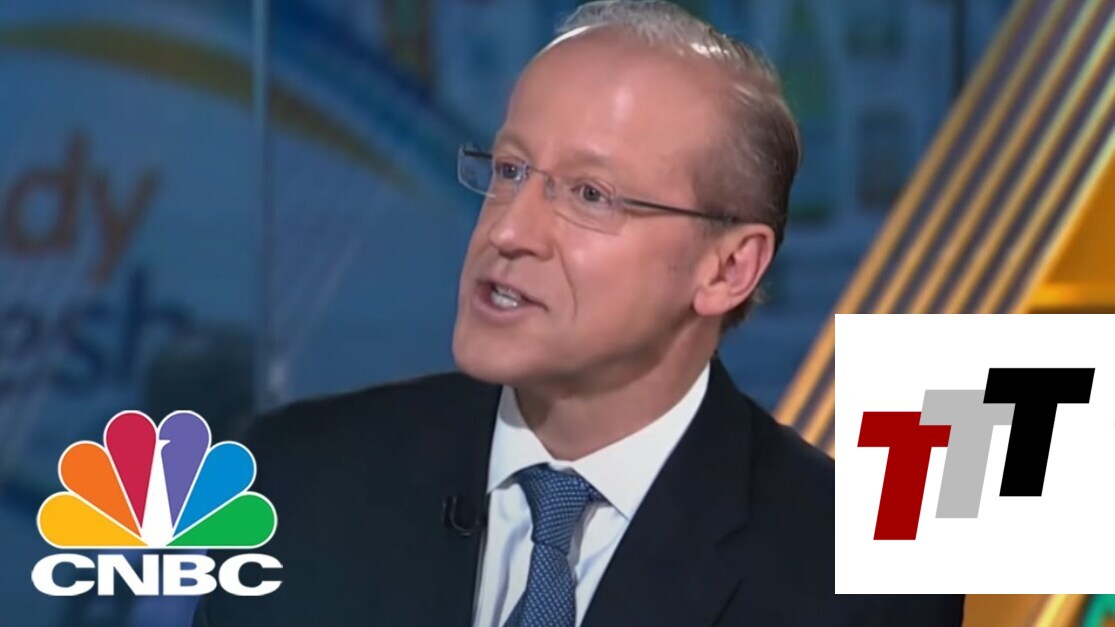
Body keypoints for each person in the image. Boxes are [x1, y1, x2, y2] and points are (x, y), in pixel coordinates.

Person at [194, 1, 964, 625]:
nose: (508, 230)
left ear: (727, 267)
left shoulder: (855, 580)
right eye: (509, 170)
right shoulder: (295, 482)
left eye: (590, 195)